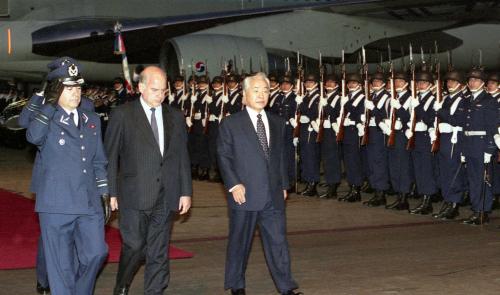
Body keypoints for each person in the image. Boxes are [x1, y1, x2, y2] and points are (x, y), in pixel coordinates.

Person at [25, 57, 109, 295]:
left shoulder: (90, 119)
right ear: (56, 90)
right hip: (57, 204)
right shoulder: (46, 117)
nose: (76, 92)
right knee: (60, 269)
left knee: (97, 253)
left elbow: (99, 161)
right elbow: (32, 136)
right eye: (69, 87)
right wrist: (49, 104)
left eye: (78, 87)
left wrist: (103, 192)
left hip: (87, 201)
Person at [105, 66, 192, 294]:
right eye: (155, 90)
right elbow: (110, 156)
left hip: (166, 193)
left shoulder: (175, 116)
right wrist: (110, 192)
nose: (160, 95)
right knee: (134, 245)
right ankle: (122, 285)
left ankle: (154, 291)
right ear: (141, 88)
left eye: (164, 91)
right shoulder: (122, 114)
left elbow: (181, 155)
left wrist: (186, 191)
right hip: (134, 194)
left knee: (159, 250)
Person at [217, 72, 302, 295]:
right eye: (256, 90)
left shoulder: (277, 122)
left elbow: (281, 156)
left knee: (278, 243)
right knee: (239, 242)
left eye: (265, 91)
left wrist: (284, 184)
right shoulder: (231, 124)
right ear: (244, 96)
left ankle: (286, 288)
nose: (261, 95)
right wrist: (234, 185)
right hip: (244, 193)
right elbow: (223, 156)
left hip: (273, 194)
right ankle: (236, 285)